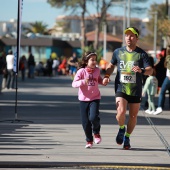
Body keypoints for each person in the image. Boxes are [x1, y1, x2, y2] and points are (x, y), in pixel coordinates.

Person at [103, 27, 153, 149]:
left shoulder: (141, 54)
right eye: (126, 35)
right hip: (121, 87)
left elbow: (150, 70)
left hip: (135, 89)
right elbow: (111, 65)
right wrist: (107, 75)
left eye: (131, 36)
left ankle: (127, 136)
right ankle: (121, 128)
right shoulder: (118, 52)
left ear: (136, 38)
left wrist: (141, 70)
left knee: (133, 116)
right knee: (120, 112)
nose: (128, 38)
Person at [72, 51, 104, 149]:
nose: (94, 62)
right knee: (85, 122)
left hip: (95, 98)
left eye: (95, 60)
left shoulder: (97, 70)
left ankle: (96, 133)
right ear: (86, 61)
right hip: (83, 100)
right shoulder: (81, 71)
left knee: (93, 117)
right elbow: (74, 84)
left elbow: (98, 79)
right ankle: (89, 140)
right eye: (92, 60)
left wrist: (103, 81)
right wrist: (82, 81)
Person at [154, 45, 170, 115]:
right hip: (167, 76)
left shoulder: (168, 57)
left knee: (162, 92)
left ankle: (160, 106)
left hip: (168, 77)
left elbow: (168, 67)